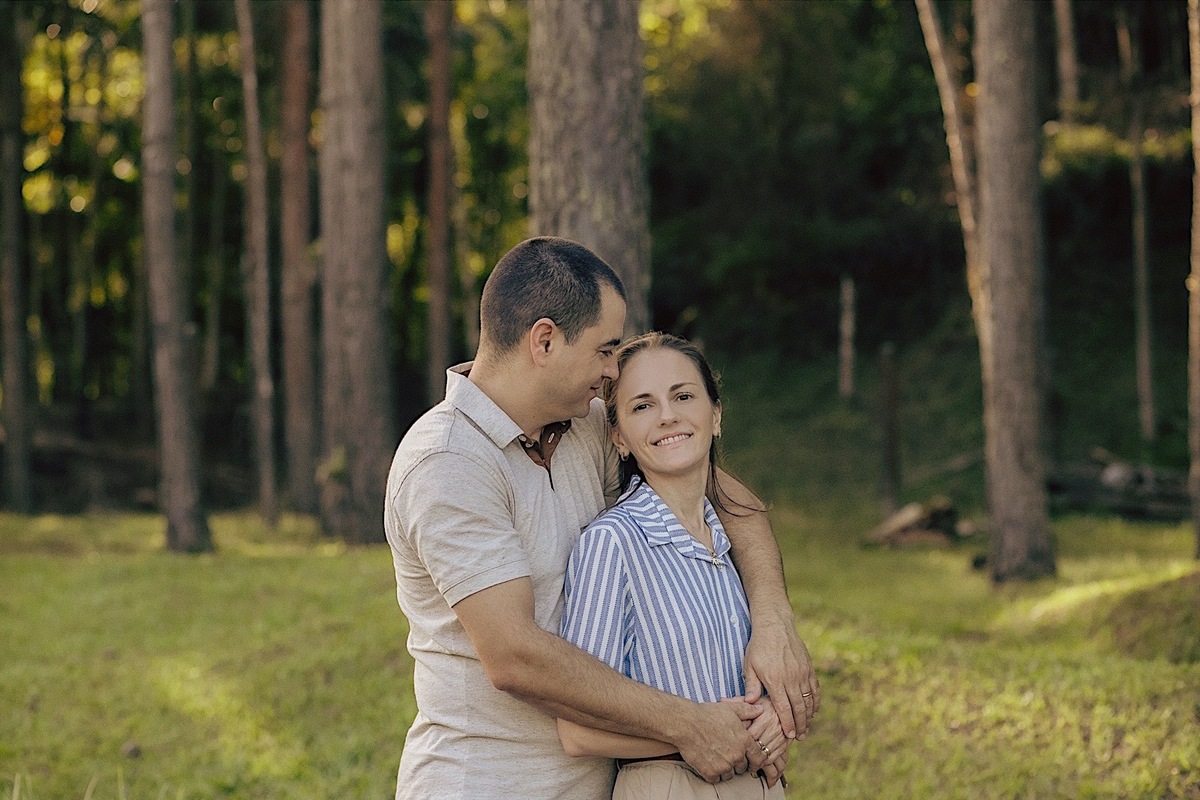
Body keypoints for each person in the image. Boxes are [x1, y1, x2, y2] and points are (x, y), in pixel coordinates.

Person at [383, 237, 818, 800]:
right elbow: (515, 657)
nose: (613, 370)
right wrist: (689, 725)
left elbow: (729, 502)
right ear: (545, 340)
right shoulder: (448, 462)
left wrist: (775, 622)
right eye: (604, 350)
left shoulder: (586, 426)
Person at [557, 332, 789, 799]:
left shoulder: (726, 545)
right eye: (642, 406)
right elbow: (578, 732)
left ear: (716, 415)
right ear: (619, 437)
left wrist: (770, 720)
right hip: (669, 785)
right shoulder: (612, 544)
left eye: (683, 396)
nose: (668, 416)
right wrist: (692, 736)